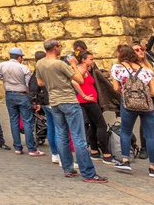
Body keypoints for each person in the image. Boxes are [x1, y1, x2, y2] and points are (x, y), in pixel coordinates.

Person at [35, 39, 108, 183]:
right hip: (68, 100)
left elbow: (40, 82)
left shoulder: (40, 63)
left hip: (54, 101)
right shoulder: (60, 64)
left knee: (62, 135)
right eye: (59, 46)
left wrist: (53, 82)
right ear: (55, 48)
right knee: (78, 137)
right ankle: (88, 173)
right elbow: (80, 80)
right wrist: (74, 65)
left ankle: (68, 169)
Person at [111, 45, 154, 177]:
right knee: (150, 135)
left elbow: (115, 88)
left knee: (125, 131)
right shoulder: (145, 71)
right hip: (146, 105)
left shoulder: (117, 68)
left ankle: (125, 160)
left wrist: (127, 92)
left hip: (128, 104)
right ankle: (153, 167)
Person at [0, 47, 42, 156]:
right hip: (22, 95)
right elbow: (29, 84)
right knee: (27, 121)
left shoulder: (2, 65)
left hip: (9, 94)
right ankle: (32, 149)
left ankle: (17, 148)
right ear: (19, 57)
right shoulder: (24, 68)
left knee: (13, 121)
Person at [74, 51, 114, 165]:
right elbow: (74, 82)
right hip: (88, 101)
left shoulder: (84, 69)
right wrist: (84, 95)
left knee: (94, 125)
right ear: (83, 59)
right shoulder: (81, 69)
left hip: (88, 101)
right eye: (91, 59)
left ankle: (94, 151)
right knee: (101, 125)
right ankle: (106, 154)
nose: (93, 61)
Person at [28, 50, 58, 166]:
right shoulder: (46, 69)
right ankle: (60, 155)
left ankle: (55, 154)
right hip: (51, 101)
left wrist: (35, 101)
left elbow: (32, 88)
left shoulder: (36, 71)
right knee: (58, 128)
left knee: (51, 127)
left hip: (43, 102)